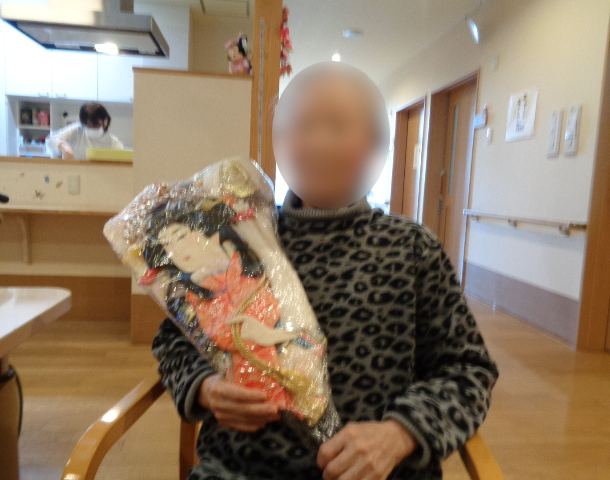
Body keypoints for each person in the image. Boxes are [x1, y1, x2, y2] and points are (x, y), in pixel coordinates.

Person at [152, 62, 498, 480]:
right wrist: (205, 388)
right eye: (300, 126)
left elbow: (468, 369)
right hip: (237, 470)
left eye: (336, 126)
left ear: (376, 142)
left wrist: (399, 434)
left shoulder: (411, 249)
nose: (317, 142)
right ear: (281, 139)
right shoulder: (241, 238)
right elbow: (175, 339)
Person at [47, 102, 123, 160]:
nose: (91, 129)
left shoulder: (114, 144)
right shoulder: (77, 130)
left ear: (105, 121)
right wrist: (64, 147)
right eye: (88, 127)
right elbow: (51, 139)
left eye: (95, 126)